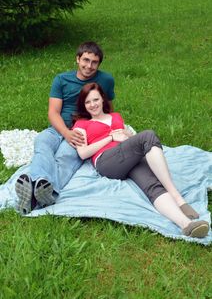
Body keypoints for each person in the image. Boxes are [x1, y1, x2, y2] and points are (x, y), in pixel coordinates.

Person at [72, 82, 209, 238]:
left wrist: (128, 135)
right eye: (87, 102)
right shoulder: (82, 123)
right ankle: (178, 197)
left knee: (153, 186)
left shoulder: (116, 117)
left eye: (95, 100)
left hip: (129, 158)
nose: (92, 105)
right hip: (107, 162)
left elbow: (128, 138)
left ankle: (186, 225)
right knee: (148, 136)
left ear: (103, 99)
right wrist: (110, 137)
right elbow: (82, 153)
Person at [15, 42, 115, 214]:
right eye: (85, 60)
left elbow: (108, 109)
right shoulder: (61, 80)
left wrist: (101, 131)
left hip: (82, 131)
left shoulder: (106, 80)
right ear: (77, 59)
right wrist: (65, 133)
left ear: (99, 64)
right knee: (42, 144)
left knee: (65, 157)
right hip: (58, 128)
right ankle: (43, 189)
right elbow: (53, 112)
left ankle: (33, 196)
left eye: (94, 62)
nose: (89, 66)